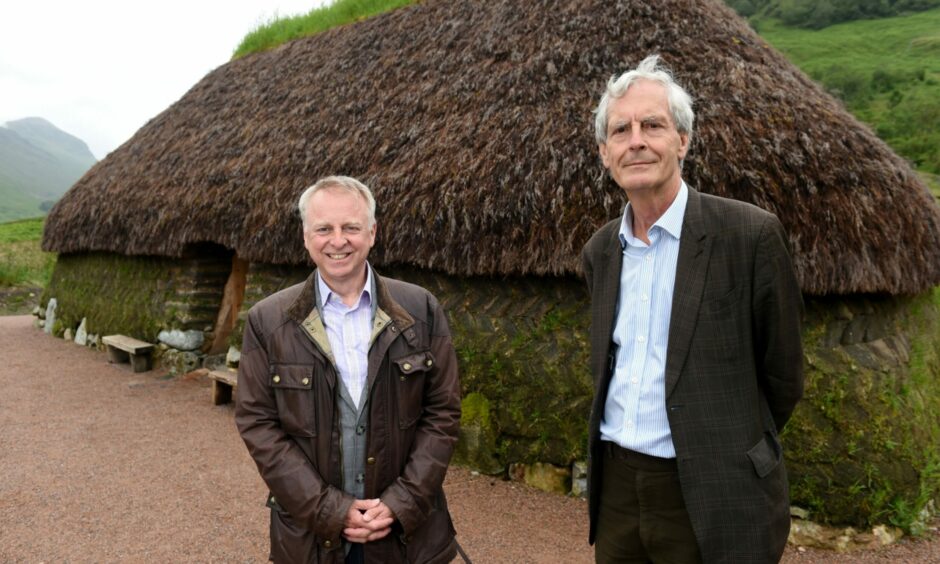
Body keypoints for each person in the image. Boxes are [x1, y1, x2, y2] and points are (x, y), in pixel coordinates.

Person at [581, 55, 804, 563]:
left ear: (682, 140)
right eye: (621, 130)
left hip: (713, 489)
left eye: (652, 125)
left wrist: (724, 442)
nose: (636, 140)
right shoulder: (599, 252)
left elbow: (784, 376)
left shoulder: (749, 236)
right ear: (604, 152)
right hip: (618, 492)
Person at [235, 175, 462, 564]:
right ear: (306, 237)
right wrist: (328, 510)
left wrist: (399, 503)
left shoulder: (421, 310)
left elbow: (442, 413)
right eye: (324, 228)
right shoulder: (268, 321)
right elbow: (258, 423)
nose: (337, 240)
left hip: (406, 539)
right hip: (311, 541)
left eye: (350, 228)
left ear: (372, 233)